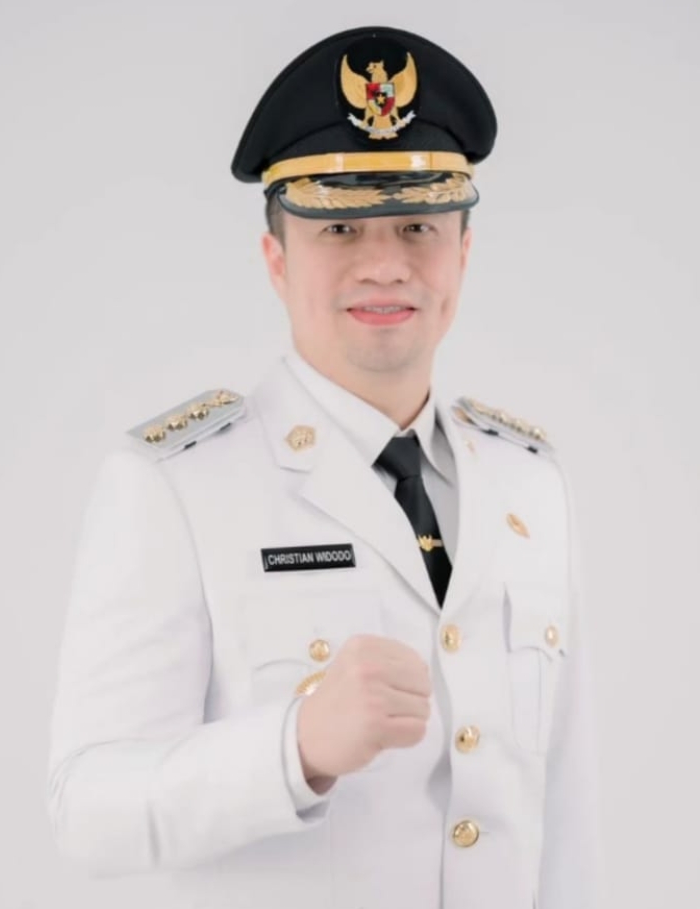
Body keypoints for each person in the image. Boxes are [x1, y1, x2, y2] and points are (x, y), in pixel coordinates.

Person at [47, 24, 599, 909]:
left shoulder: (529, 482)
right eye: (338, 226)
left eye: (417, 225)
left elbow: (562, 816)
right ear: (276, 259)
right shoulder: (177, 487)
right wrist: (293, 746)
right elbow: (87, 810)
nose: (384, 263)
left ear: (462, 252)